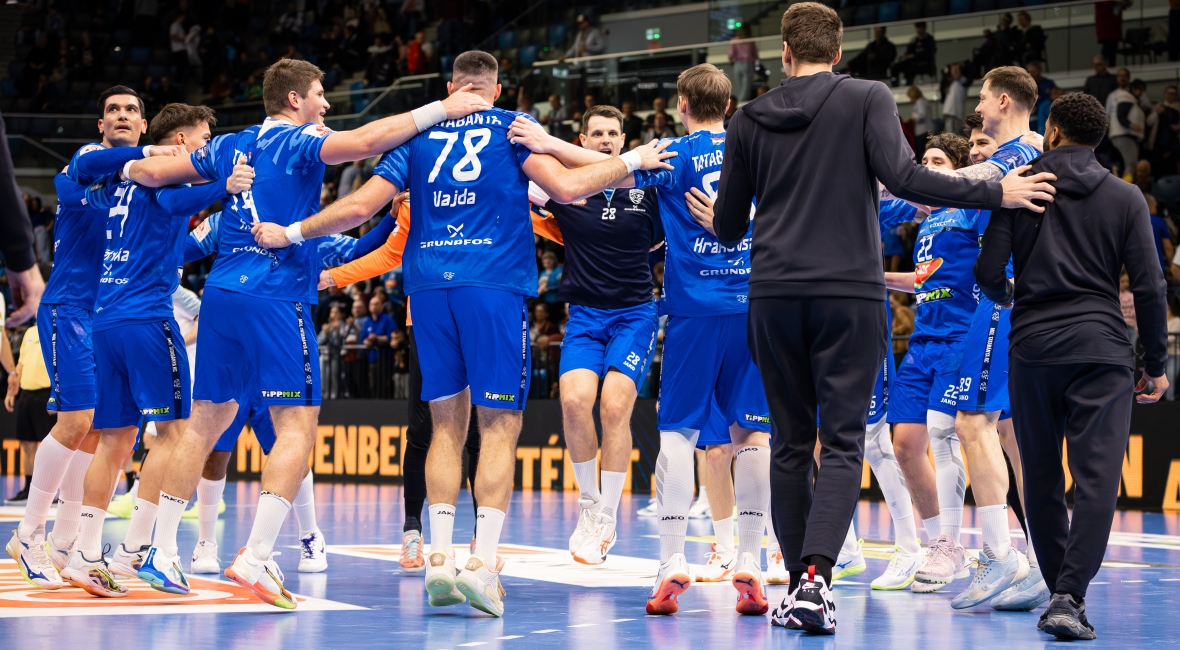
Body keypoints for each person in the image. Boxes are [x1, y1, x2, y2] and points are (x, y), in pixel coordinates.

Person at [251, 51, 675, 617]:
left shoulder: (418, 132)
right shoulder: (511, 128)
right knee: (498, 426)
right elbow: (569, 190)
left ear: (452, 87)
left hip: (428, 290)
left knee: (445, 427)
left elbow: (360, 207)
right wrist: (634, 159)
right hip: (492, 286)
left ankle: (439, 557)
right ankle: (481, 564)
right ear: (496, 91)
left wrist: (292, 232)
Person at [710, 4, 1054, 635]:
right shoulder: (867, 96)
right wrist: (994, 189)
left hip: (773, 295)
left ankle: (797, 582)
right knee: (843, 443)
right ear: (838, 53)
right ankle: (816, 584)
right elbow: (906, 178)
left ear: (784, 53)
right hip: (848, 295)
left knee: (791, 444)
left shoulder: (749, 117)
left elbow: (730, 227)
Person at [118, 58, 492, 609]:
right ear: (294, 100)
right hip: (275, 293)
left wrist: (122, 167)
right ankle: (257, 554)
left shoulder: (231, 144)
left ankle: (163, 550)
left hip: (221, 293)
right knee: (297, 426)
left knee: (203, 424)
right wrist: (441, 108)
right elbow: (365, 141)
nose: (326, 104)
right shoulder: (300, 140)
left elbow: (156, 177)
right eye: (319, 94)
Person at [975, 90, 1168, 641]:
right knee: (1098, 477)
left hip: (1033, 348)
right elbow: (1150, 286)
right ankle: (1069, 595)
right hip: (1102, 350)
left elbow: (987, 273)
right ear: (1098, 140)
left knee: (1039, 474)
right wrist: (1155, 362)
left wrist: (1015, 295)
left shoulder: (1021, 187)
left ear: (1052, 133)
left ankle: (1059, 588)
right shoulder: (1127, 197)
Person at [60, 103, 254, 599]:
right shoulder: (165, 174)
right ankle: (136, 549)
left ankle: (85, 552)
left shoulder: (121, 180)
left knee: (115, 439)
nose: (207, 147)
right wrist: (226, 185)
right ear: (182, 142)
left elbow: (174, 227)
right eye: (203, 139)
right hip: (147, 317)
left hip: (105, 318)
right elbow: (175, 200)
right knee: (175, 433)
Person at [4, 86, 169, 590]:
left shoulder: (142, 185)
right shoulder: (89, 159)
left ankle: (65, 542)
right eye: (112, 110)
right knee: (76, 421)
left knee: (97, 430)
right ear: (101, 125)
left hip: (107, 314)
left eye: (131, 110)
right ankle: (28, 534)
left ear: (143, 122)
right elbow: (88, 171)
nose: (121, 116)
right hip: (70, 308)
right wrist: (157, 152)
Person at [522, 105, 664, 566]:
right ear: (581, 140)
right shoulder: (563, 187)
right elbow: (514, 184)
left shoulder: (647, 187)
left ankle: (608, 516)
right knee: (573, 401)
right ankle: (589, 506)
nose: (605, 140)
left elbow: (666, 240)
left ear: (624, 141)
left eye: (613, 133)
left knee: (615, 407)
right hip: (584, 316)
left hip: (635, 314)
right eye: (597, 133)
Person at [5, 324, 55, 505]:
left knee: (52, 447)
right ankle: (28, 489)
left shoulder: (57, 327)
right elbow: (21, 364)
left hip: (46, 393)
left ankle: (52, 491)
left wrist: (57, 396)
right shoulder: (30, 332)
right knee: (27, 444)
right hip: (26, 394)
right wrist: (11, 392)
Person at [1107, 68, 1145, 176]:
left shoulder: (1134, 95)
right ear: (1117, 78)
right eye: (1120, 75)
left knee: (1132, 164)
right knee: (1131, 164)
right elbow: (1111, 115)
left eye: (1124, 75)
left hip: (1131, 135)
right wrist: (1131, 125)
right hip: (1121, 134)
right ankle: (1125, 186)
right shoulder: (1117, 95)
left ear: (1128, 78)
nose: (1122, 78)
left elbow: (1147, 106)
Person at [891, 22, 936, 87]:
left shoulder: (929, 39)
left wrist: (915, 55)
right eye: (917, 27)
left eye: (920, 27)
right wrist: (906, 56)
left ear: (924, 28)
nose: (919, 29)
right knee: (895, 67)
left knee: (910, 68)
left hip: (924, 63)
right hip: (911, 61)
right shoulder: (914, 39)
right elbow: (908, 51)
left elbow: (929, 53)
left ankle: (908, 84)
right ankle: (895, 85)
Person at [1095, 0, 1133, 67]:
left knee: (1112, 51)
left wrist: (1124, 3)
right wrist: (1121, 1)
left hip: (1114, 24)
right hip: (1107, 24)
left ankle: (1109, 68)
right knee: (1107, 51)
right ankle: (1104, 69)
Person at [729, 26, 759, 103]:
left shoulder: (735, 40)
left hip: (737, 64)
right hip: (747, 64)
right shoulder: (750, 40)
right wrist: (755, 66)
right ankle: (741, 102)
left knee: (742, 87)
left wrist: (731, 61)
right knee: (746, 87)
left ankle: (740, 102)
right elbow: (755, 55)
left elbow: (731, 54)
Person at [943, 63, 968, 137]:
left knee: (953, 137)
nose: (949, 78)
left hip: (955, 115)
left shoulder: (961, 82)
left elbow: (960, 77)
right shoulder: (953, 84)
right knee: (949, 136)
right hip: (951, 116)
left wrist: (957, 67)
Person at [906, 86, 933, 153]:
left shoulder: (920, 102)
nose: (910, 100)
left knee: (922, 152)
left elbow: (922, 115)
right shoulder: (924, 101)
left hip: (922, 131)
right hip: (926, 129)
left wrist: (911, 119)